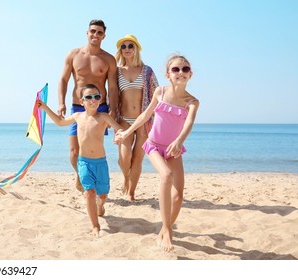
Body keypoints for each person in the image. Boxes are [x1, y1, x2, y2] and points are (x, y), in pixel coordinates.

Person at [115, 54, 200, 252]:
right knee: (166, 175)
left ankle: (164, 228)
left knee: (178, 196)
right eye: (176, 69)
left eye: (185, 69)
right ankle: (168, 232)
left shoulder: (192, 101)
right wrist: (127, 132)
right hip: (154, 145)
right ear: (168, 74)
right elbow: (145, 115)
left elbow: (189, 123)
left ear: (191, 74)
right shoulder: (160, 92)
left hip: (174, 149)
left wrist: (179, 141)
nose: (180, 72)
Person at [38, 84, 122, 237]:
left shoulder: (104, 117)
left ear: (100, 100)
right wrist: (44, 107)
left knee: (102, 195)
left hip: (100, 163)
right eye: (88, 97)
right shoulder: (77, 116)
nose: (93, 100)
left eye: (96, 97)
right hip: (84, 162)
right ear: (82, 101)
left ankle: (100, 206)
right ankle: (95, 225)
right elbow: (59, 122)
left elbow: (119, 129)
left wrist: (118, 136)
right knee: (89, 192)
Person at [57, 19, 119, 194]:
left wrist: (113, 108)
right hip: (78, 107)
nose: (95, 35)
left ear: (104, 36)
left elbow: (113, 87)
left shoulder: (108, 59)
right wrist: (61, 102)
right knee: (74, 150)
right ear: (87, 32)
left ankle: (92, 182)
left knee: (93, 147)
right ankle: (80, 172)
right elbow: (63, 79)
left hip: (100, 108)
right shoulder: (74, 54)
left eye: (99, 32)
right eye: (93, 31)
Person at [114, 34, 159, 202]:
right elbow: (112, 93)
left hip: (143, 120)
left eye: (130, 46)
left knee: (137, 158)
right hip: (124, 120)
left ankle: (131, 192)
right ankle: (126, 178)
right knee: (124, 158)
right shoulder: (117, 71)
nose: (126, 49)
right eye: (123, 46)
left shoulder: (147, 71)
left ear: (136, 49)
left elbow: (157, 93)